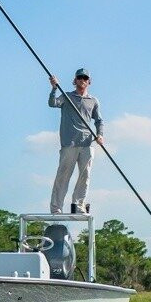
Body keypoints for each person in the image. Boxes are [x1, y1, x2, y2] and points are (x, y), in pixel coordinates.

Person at [48, 68, 104, 214]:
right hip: (69, 143)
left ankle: (78, 206)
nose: (82, 80)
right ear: (75, 80)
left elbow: (99, 120)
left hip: (87, 143)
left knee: (85, 177)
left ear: (89, 81)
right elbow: (53, 103)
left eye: (85, 78)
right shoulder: (66, 96)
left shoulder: (93, 101)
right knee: (63, 176)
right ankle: (56, 208)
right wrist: (54, 88)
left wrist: (100, 135)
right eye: (80, 77)